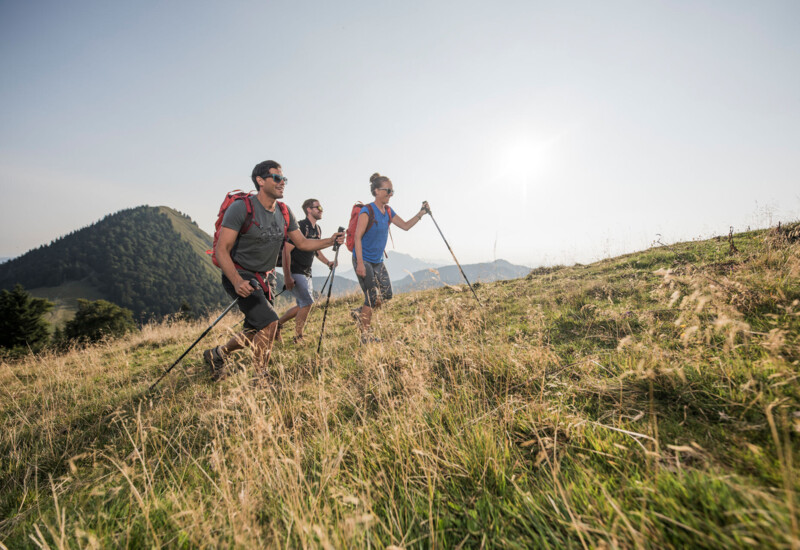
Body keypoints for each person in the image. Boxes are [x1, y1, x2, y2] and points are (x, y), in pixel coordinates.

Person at [204, 160, 344, 381]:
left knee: (254, 330)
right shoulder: (241, 208)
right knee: (270, 322)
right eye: (277, 178)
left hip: (264, 277)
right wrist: (237, 281)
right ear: (260, 181)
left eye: (284, 179)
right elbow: (222, 250)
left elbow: (303, 243)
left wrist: (330, 240)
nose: (282, 183)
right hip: (240, 274)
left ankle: (217, 354)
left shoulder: (284, 211)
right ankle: (261, 378)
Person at [352, 172, 429, 343]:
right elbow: (357, 237)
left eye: (392, 191)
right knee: (371, 297)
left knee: (386, 295)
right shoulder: (367, 210)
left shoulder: (387, 211)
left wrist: (421, 213)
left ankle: (360, 312)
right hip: (363, 259)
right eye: (387, 190)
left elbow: (406, 226)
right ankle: (365, 337)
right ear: (377, 191)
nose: (390, 194)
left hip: (378, 260)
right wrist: (359, 263)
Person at [277, 198, 335, 342]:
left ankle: (277, 324)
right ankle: (298, 336)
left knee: (302, 304)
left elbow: (316, 250)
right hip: (296, 270)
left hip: (307, 271)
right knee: (307, 303)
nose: (321, 210)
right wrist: (287, 276)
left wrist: (328, 262)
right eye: (318, 207)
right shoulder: (301, 227)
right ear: (309, 210)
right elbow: (286, 250)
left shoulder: (317, 229)